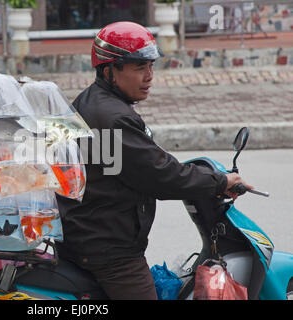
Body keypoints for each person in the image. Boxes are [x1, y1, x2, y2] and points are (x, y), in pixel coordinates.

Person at [55, 21, 253, 300]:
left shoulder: (93, 100)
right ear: (110, 70)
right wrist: (220, 181)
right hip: (110, 251)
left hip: (88, 233)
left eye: (150, 67)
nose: (149, 76)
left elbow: (145, 162)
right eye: (139, 68)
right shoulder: (114, 117)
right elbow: (161, 176)